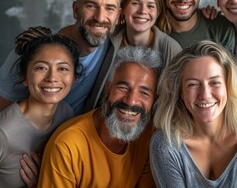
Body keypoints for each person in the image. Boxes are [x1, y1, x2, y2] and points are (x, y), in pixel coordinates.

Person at [0, 0, 127, 115]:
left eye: (109, 8)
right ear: (75, 10)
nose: (100, 17)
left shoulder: (115, 47)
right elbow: (3, 112)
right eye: (91, 6)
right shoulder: (31, 50)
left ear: (118, 16)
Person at [150, 40, 237, 187]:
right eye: (193, 84)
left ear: (229, 86)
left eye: (214, 82)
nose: (205, 95)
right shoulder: (166, 145)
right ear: (180, 92)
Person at [38, 46, 162, 187]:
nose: (131, 100)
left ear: (154, 100)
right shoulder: (67, 145)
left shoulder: (149, 137)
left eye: (144, 93)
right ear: (108, 89)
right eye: (123, 88)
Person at [0, 27, 82, 188]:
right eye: (41, 68)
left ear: (73, 79)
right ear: (24, 77)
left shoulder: (66, 115)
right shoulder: (3, 133)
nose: (52, 78)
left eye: (62, 68)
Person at [117, 0, 182, 65]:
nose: (142, 11)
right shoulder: (108, 41)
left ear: (157, 13)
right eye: (135, 3)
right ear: (123, 8)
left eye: (150, 6)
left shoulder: (171, 49)